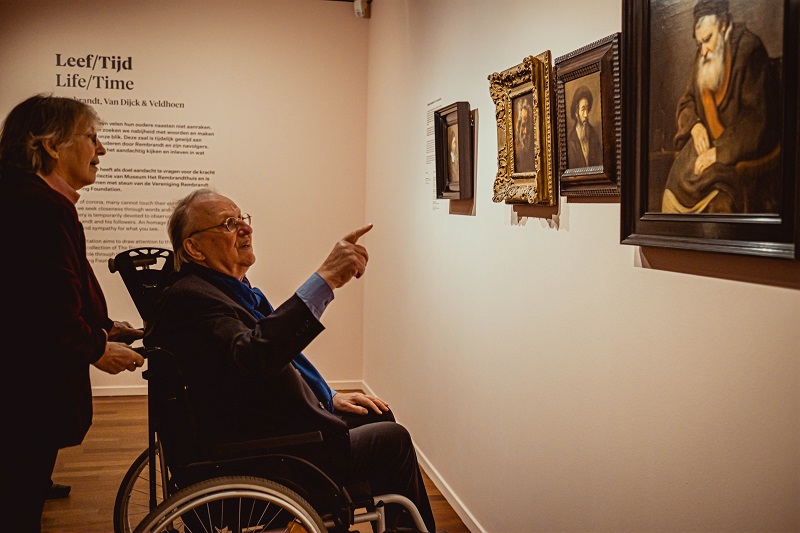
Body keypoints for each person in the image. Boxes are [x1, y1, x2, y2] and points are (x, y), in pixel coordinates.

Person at [143, 188, 437, 533]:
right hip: (260, 454)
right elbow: (254, 357)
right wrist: (325, 279)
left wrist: (329, 397)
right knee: (393, 439)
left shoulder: (223, 291)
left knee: (377, 413)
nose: (245, 229)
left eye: (243, 220)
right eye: (228, 224)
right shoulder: (194, 299)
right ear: (193, 247)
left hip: (259, 428)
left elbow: (267, 355)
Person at [0, 94, 146, 532]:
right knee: (17, 503)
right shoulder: (37, 206)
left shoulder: (32, 199)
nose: (100, 150)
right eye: (91, 137)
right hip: (23, 389)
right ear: (50, 145)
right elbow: (42, 308)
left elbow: (53, 284)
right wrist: (96, 346)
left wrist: (103, 326)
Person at [662, 0, 780, 213]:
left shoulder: (749, 50)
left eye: (708, 40)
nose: (704, 50)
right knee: (672, 189)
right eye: (699, 43)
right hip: (703, 151)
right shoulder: (703, 56)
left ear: (724, 26)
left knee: (719, 203)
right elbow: (687, 102)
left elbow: (755, 122)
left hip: (737, 154)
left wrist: (718, 153)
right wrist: (695, 126)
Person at [566, 85, 603, 169]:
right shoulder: (570, 139)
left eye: (587, 109)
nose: (586, 114)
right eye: (583, 109)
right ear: (576, 112)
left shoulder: (593, 135)